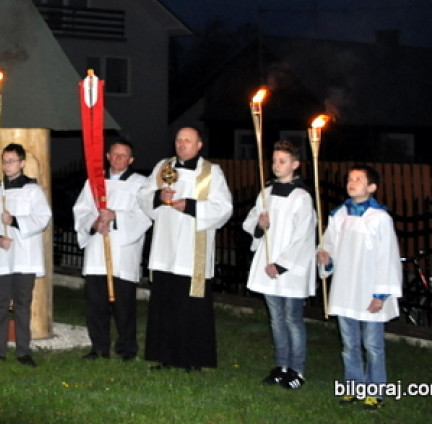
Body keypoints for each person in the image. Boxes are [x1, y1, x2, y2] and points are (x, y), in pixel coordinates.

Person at [138, 126, 232, 371]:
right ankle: (165, 357)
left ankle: (192, 360)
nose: (182, 144)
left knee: (191, 307)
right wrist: (160, 196)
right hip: (165, 247)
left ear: (199, 145)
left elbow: (224, 207)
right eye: (179, 140)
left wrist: (189, 206)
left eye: (188, 141)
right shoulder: (163, 167)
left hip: (192, 250)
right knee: (165, 304)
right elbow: (142, 195)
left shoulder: (211, 172)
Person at [318, 166, 402, 410]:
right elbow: (329, 246)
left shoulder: (380, 219)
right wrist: (326, 257)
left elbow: (387, 257)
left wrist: (380, 294)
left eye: (358, 179)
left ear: (372, 187)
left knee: (373, 346)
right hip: (346, 290)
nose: (351, 183)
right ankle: (354, 386)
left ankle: (376, 391)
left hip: (368, 291)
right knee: (349, 345)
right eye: (349, 179)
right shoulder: (339, 216)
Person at [242, 140, 316, 390]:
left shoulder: (302, 197)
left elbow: (304, 236)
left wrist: (282, 264)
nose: (276, 165)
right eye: (274, 161)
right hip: (267, 264)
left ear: (295, 165)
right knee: (276, 319)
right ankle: (281, 366)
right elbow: (250, 221)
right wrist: (260, 226)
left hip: (289, 269)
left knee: (292, 319)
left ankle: (297, 370)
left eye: (282, 161)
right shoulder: (266, 192)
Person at [73, 138, 151, 361]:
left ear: (131, 159)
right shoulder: (95, 182)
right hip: (98, 250)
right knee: (96, 305)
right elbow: (81, 209)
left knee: (124, 306)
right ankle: (99, 347)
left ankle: (127, 348)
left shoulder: (141, 184)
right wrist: (94, 223)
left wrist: (116, 216)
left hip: (123, 252)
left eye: (123, 155)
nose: (118, 158)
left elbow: (145, 216)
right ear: (107, 156)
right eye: (114, 154)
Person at [0, 143, 52, 367]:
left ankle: (23, 351)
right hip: (1, 256)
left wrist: (15, 221)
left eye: (12, 161)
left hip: (24, 257)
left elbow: (43, 218)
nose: (7, 165)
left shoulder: (33, 191)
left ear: (22, 163)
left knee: (21, 305)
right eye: (5, 161)